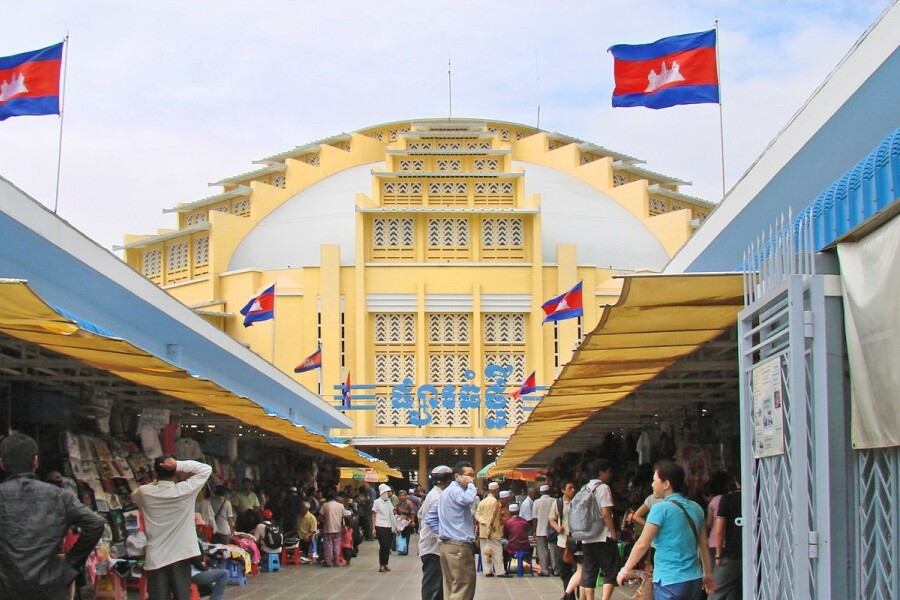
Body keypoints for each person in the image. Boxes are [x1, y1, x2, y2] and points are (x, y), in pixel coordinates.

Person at [0, 433, 104, 600]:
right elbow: (95, 523)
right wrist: (71, 560)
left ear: (2, 463)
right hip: (51, 585)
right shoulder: (59, 496)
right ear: (35, 461)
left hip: (6, 587)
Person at [617, 461, 715, 600]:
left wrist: (625, 570)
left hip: (669, 580)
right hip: (694, 579)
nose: (652, 485)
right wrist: (708, 573)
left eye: (654, 480)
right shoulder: (696, 508)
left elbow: (642, 544)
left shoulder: (660, 509)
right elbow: (704, 545)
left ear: (666, 484)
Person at [132, 454, 212, 600]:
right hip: (181, 556)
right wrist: (178, 465)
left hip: (156, 557)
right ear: (175, 473)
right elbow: (206, 469)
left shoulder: (144, 492)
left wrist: (157, 480)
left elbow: (135, 494)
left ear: (155, 473)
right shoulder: (186, 490)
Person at [426, 461, 477, 600]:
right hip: (459, 544)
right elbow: (469, 499)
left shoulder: (445, 493)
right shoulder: (455, 491)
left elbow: (430, 518)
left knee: (451, 586)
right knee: (463, 585)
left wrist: (444, 532)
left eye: (473, 476)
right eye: (469, 475)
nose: (472, 478)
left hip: (448, 544)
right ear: (457, 476)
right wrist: (471, 485)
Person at [579, 459, 618, 600]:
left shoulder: (584, 488)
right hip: (603, 537)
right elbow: (606, 513)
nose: (610, 475)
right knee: (610, 571)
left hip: (586, 537)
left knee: (589, 571)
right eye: (608, 472)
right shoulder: (603, 488)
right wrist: (613, 532)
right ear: (601, 473)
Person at [419, 465, 452, 600]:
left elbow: (420, 514)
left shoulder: (433, 494)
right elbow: (432, 522)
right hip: (433, 548)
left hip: (430, 545)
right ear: (446, 480)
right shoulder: (437, 497)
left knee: (436, 584)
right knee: (433, 585)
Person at [710, 474, 742, 600]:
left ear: (735, 480)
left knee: (716, 591)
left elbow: (719, 530)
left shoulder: (728, 499)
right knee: (737, 589)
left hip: (732, 554)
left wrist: (718, 555)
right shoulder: (757, 496)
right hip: (756, 554)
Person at [549, 480, 577, 600]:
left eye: (574, 488)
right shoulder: (558, 503)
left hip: (577, 542)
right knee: (565, 572)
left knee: (579, 571)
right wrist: (557, 527)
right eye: (570, 488)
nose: (573, 490)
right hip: (562, 542)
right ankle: (569, 596)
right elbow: (551, 519)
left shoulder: (578, 502)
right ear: (563, 490)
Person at [475, 481, 504, 577]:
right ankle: (500, 571)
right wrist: (488, 525)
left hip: (483, 531)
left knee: (485, 551)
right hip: (493, 530)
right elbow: (492, 516)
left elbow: (477, 514)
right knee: (497, 551)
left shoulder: (482, 502)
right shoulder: (494, 502)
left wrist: (483, 522)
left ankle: (487, 571)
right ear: (495, 490)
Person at [373, 483, 399, 572]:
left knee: (388, 546)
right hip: (380, 525)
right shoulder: (377, 502)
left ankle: (385, 563)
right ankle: (381, 565)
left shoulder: (389, 502)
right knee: (383, 545)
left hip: (389, 526)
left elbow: (392, 514)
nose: (389, 493)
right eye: (388, 492)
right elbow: (374, 515)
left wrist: (396, 526)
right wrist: (373, 528)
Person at [532, 483, 556, 576]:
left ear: (541, 492)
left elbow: (535, 518)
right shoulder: (554, 501)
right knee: (554, 551)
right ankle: (555, 569)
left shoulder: (536, 502)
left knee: (543, 551)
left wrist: (534, 530)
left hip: (540, 529)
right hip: (553, 530)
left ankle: (545, 570)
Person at [319, 489, 345, 567]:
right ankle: (336, 561)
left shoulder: (325, 505)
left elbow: (320, 517)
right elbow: (345, 516)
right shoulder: (340, 505)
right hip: (338, 528)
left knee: (328, 545)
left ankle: (328, 561)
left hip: (328, 528)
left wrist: (324, 521)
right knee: (337, 545)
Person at [502, 503, 530, 572]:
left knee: (503, 550)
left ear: (509, 512)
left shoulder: (508, 523)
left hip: (512, 547)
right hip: (525, 547)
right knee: (530, 548)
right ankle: (528, 563)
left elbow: (506, 535)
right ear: (518, 511)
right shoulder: (525, 522)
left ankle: (504, 569)